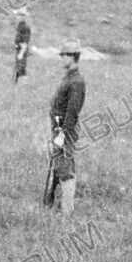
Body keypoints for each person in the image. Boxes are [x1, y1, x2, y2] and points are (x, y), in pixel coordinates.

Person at [48, 39, 86, 217]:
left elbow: (72, 111)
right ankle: (58, 205)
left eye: (64, 55)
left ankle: (67, 211)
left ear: (73, 57)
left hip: (65, 130)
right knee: (60, 166)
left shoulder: (77, 81)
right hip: (59, 128)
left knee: (66, 168)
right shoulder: (70, 78)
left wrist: (62, 133)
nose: (62, 59)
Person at [13, 7, 32, 83]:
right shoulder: (20, 26)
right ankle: (17, 83)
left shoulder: (24, 27)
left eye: (19, 15)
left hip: (22, 50)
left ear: (23, 17)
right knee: (19, 67)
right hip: (19, 49)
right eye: (17, 15)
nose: (17, 17)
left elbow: (25, 42)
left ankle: (23, 83)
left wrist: (21, 53)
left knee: (21, 68)